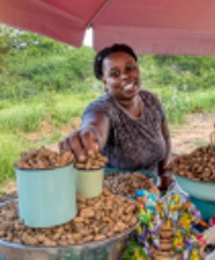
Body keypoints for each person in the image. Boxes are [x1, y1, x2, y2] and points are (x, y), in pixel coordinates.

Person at [61, 43, 174, 189]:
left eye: (130, 68)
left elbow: (166, 137)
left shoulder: (150, 100)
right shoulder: (102, 108)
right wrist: (89, 135)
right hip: (120, 198)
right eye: (114, 73)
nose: (125, 76)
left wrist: (163, 172)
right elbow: (95, 125)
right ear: (105, 81)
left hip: (154, 191)